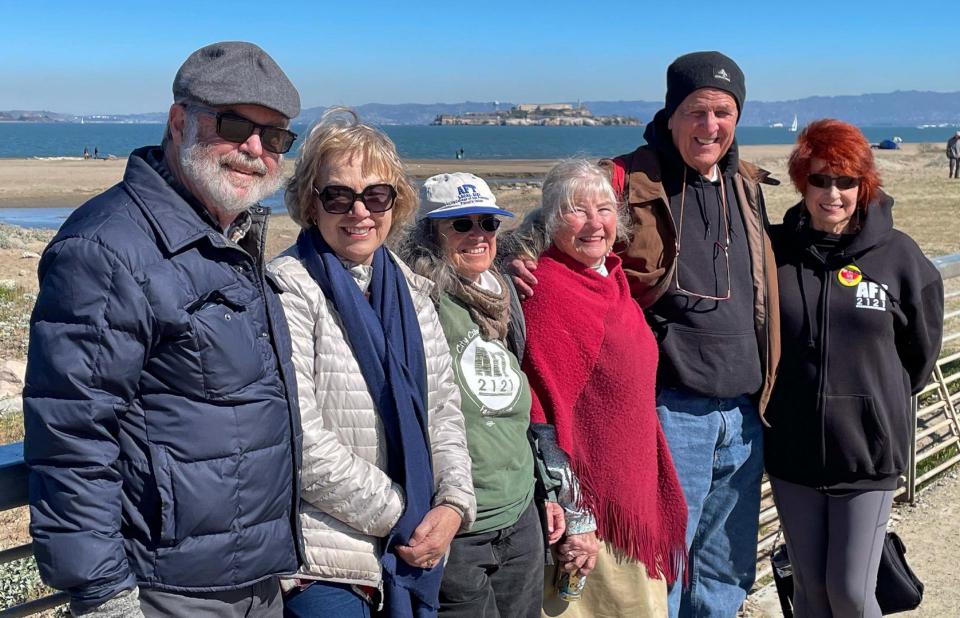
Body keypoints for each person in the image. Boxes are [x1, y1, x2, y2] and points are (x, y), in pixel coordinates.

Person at [24, 42, 303, 617]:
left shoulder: (225, 234)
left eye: (274, 137)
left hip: (254, 576)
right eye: (234, 125)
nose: (255, 149)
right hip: (167, 587)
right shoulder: (107, 247)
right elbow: (72, 432)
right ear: (179, 122)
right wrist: (102, 594)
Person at [504, 51, 779, 617]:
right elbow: (556, 219)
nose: (710, 127)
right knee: (662, 570)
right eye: (697, 112)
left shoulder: (747, 186)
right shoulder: (628, 176)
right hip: (672, 410)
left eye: (723, 113)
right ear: (671, 114)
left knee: (725, 570)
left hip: (745, 413)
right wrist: (512, 254)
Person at [266, 108, 476, 618]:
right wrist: (406, 513)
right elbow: (302, 443)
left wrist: (452, 506)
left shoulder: (412, 291)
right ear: (311, 205)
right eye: (338, 195)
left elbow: (444, 412)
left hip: (414, 544)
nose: (359, 211)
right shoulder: (285, 289)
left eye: (376, 195)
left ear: (395, 204)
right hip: (324, 557)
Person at [764, 119, 943, 618]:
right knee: (810, 594)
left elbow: (920, 351)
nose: (832, 193)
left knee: (851, 592)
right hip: (793, 450)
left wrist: (869, 401)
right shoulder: (774, 252)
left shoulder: (898, 255)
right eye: (820, 179)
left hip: (867, 453)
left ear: (864, 185)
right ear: (803, 181)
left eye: (845, 181)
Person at [516, 159, 688, 617]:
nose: (595, 224)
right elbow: (545, 419)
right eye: (577, 210)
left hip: (632, 493)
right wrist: (578, 518)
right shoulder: (549, 292)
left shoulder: (612, 280)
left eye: (605, 209)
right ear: (551, 220)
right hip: (595, 517)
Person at [397, 172, 565, 617]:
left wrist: (545, 494)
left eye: (488, 224)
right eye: (461, 224)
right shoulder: (418, 299)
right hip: (460, 525)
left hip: (520, 515)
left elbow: (519, 410)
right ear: (429, 233)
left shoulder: (502, 294)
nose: (478, 235)